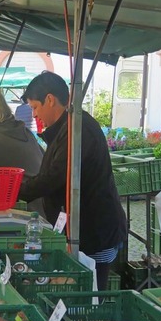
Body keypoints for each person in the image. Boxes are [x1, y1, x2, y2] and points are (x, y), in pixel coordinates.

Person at [18, 71, 127, 291]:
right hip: (83, 228)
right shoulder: (65, 128)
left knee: (92, 294)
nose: (34, 114)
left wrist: (15, 189)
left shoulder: (78, 129)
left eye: (35, 107)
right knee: (83, 291)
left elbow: (53, 178)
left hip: (95, 230)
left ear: (50, 100)